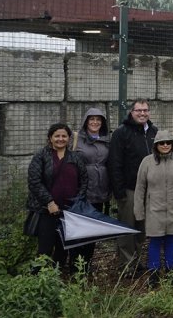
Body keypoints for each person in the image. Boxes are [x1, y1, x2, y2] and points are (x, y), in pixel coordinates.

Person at [27, 123, 88, 272]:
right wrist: (49, 202)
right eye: (57, 136)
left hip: (69, 211)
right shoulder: (41, 156)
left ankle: (57, 278)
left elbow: (84, 181)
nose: (60, 139)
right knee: (45, 249)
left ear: (69, 138)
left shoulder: (75, 157)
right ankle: (37, 281)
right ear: (50, 138)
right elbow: (34, 182)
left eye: (64, 136)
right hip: (47, 211)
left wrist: (77, 203)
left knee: (63, 248)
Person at [134, 130, 173, 287]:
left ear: (172, 144)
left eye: (168, 142)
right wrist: (139, 212)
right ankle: (153, 274)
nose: (165, 145)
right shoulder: (147, 162)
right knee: (155, 241)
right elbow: (140, 188)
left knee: (171, 240)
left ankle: (170, 272)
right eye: (161, 143)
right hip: (154, 210)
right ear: (156, 145)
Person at [108, 99, 158, 273]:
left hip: (149, 191)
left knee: (141, 228)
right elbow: (114, 163)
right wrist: (119, 190)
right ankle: (127, 265)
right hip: (129, 189)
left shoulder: (153, 132)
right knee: (127, 227)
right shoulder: (121, 133)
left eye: (145, 110)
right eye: (138, 110)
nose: (142, 113)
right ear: (132, 112)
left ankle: (136, 261)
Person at [74, 107, 111, 270]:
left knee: (93, 231)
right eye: (92, 119)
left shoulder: (107, 140)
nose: (95, 122)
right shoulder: (76, 139)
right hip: (80, 191)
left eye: (98, 119)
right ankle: (75, 266)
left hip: (100, 190)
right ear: (86, 121)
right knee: (79, 230)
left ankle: (87, 264)